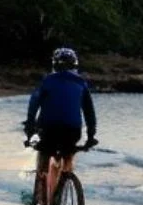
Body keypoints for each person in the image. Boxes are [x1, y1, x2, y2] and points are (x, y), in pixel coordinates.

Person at [24, 48, 97, 185]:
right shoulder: (81, 83)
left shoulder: (47, 81)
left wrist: (29, 130)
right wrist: (91, 136)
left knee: (45, 152)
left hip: (48, 130)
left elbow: (33, 105)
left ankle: (45, 200)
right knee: (68, 152)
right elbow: (89, 112)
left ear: (54, 65)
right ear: (75, 65)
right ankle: (65, 177)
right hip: (72, 131)